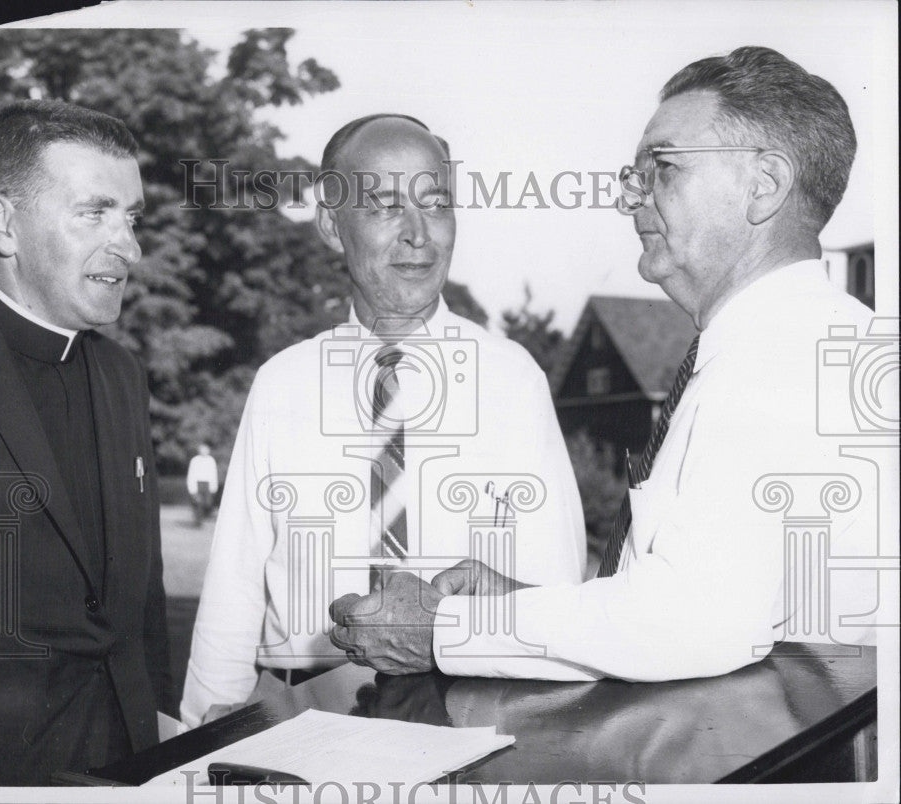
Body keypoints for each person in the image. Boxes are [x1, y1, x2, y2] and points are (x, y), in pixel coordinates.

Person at [330, 47, 895, 682]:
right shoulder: (811, 343)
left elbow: (693, 624)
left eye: (664, 168)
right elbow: (695, 600)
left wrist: (443, 629)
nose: (630, 197)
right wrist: (517, 605)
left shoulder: (779, 362)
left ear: (764, 185)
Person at [181, 114, 587, 725]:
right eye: (385, 206)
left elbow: (555, 595)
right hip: (300, 718)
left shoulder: (513, 381)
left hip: (461, 715)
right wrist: (199, 737)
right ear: (330, 224)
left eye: (436, 203)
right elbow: (233, 589)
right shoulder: (283, 383)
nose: (418, 234)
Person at [0, 99, 173, 785]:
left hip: (130, 767)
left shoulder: (123, 376)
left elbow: (142, 600)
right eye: (95, 212)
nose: (129, 246)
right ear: (5, 223)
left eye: (132, 217)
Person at [186, 443, 219, 525]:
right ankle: (198, 521)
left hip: (207, 484)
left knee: (207, 503)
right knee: (198, 502)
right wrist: (192, 488)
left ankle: (203, 516)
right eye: (202, 450)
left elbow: (213, 473)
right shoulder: (195, 460)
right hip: (197, 483)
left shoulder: (211, 460)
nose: (204, 451)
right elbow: (191, 474)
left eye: (206, 450)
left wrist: (213, 486)